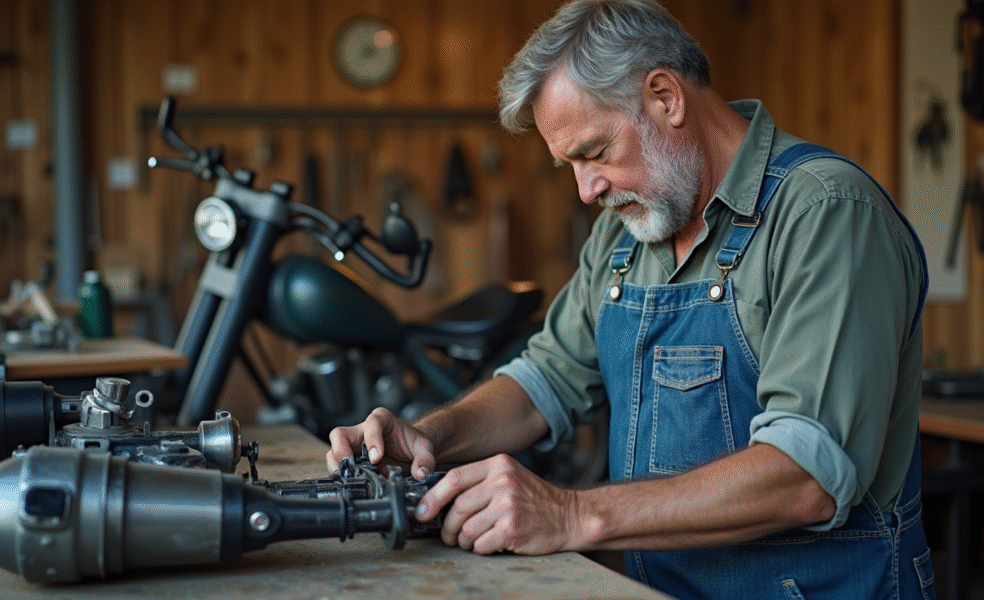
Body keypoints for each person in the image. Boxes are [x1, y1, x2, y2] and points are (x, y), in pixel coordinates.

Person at [328, 1, 936, 597]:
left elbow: (806, 476)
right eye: (568, 164)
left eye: (594, 153)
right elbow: (547, 379)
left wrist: (570, 514)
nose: (586, 190)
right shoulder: (625, 236)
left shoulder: (827, 214)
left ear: (665, 98)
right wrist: (430, 436)